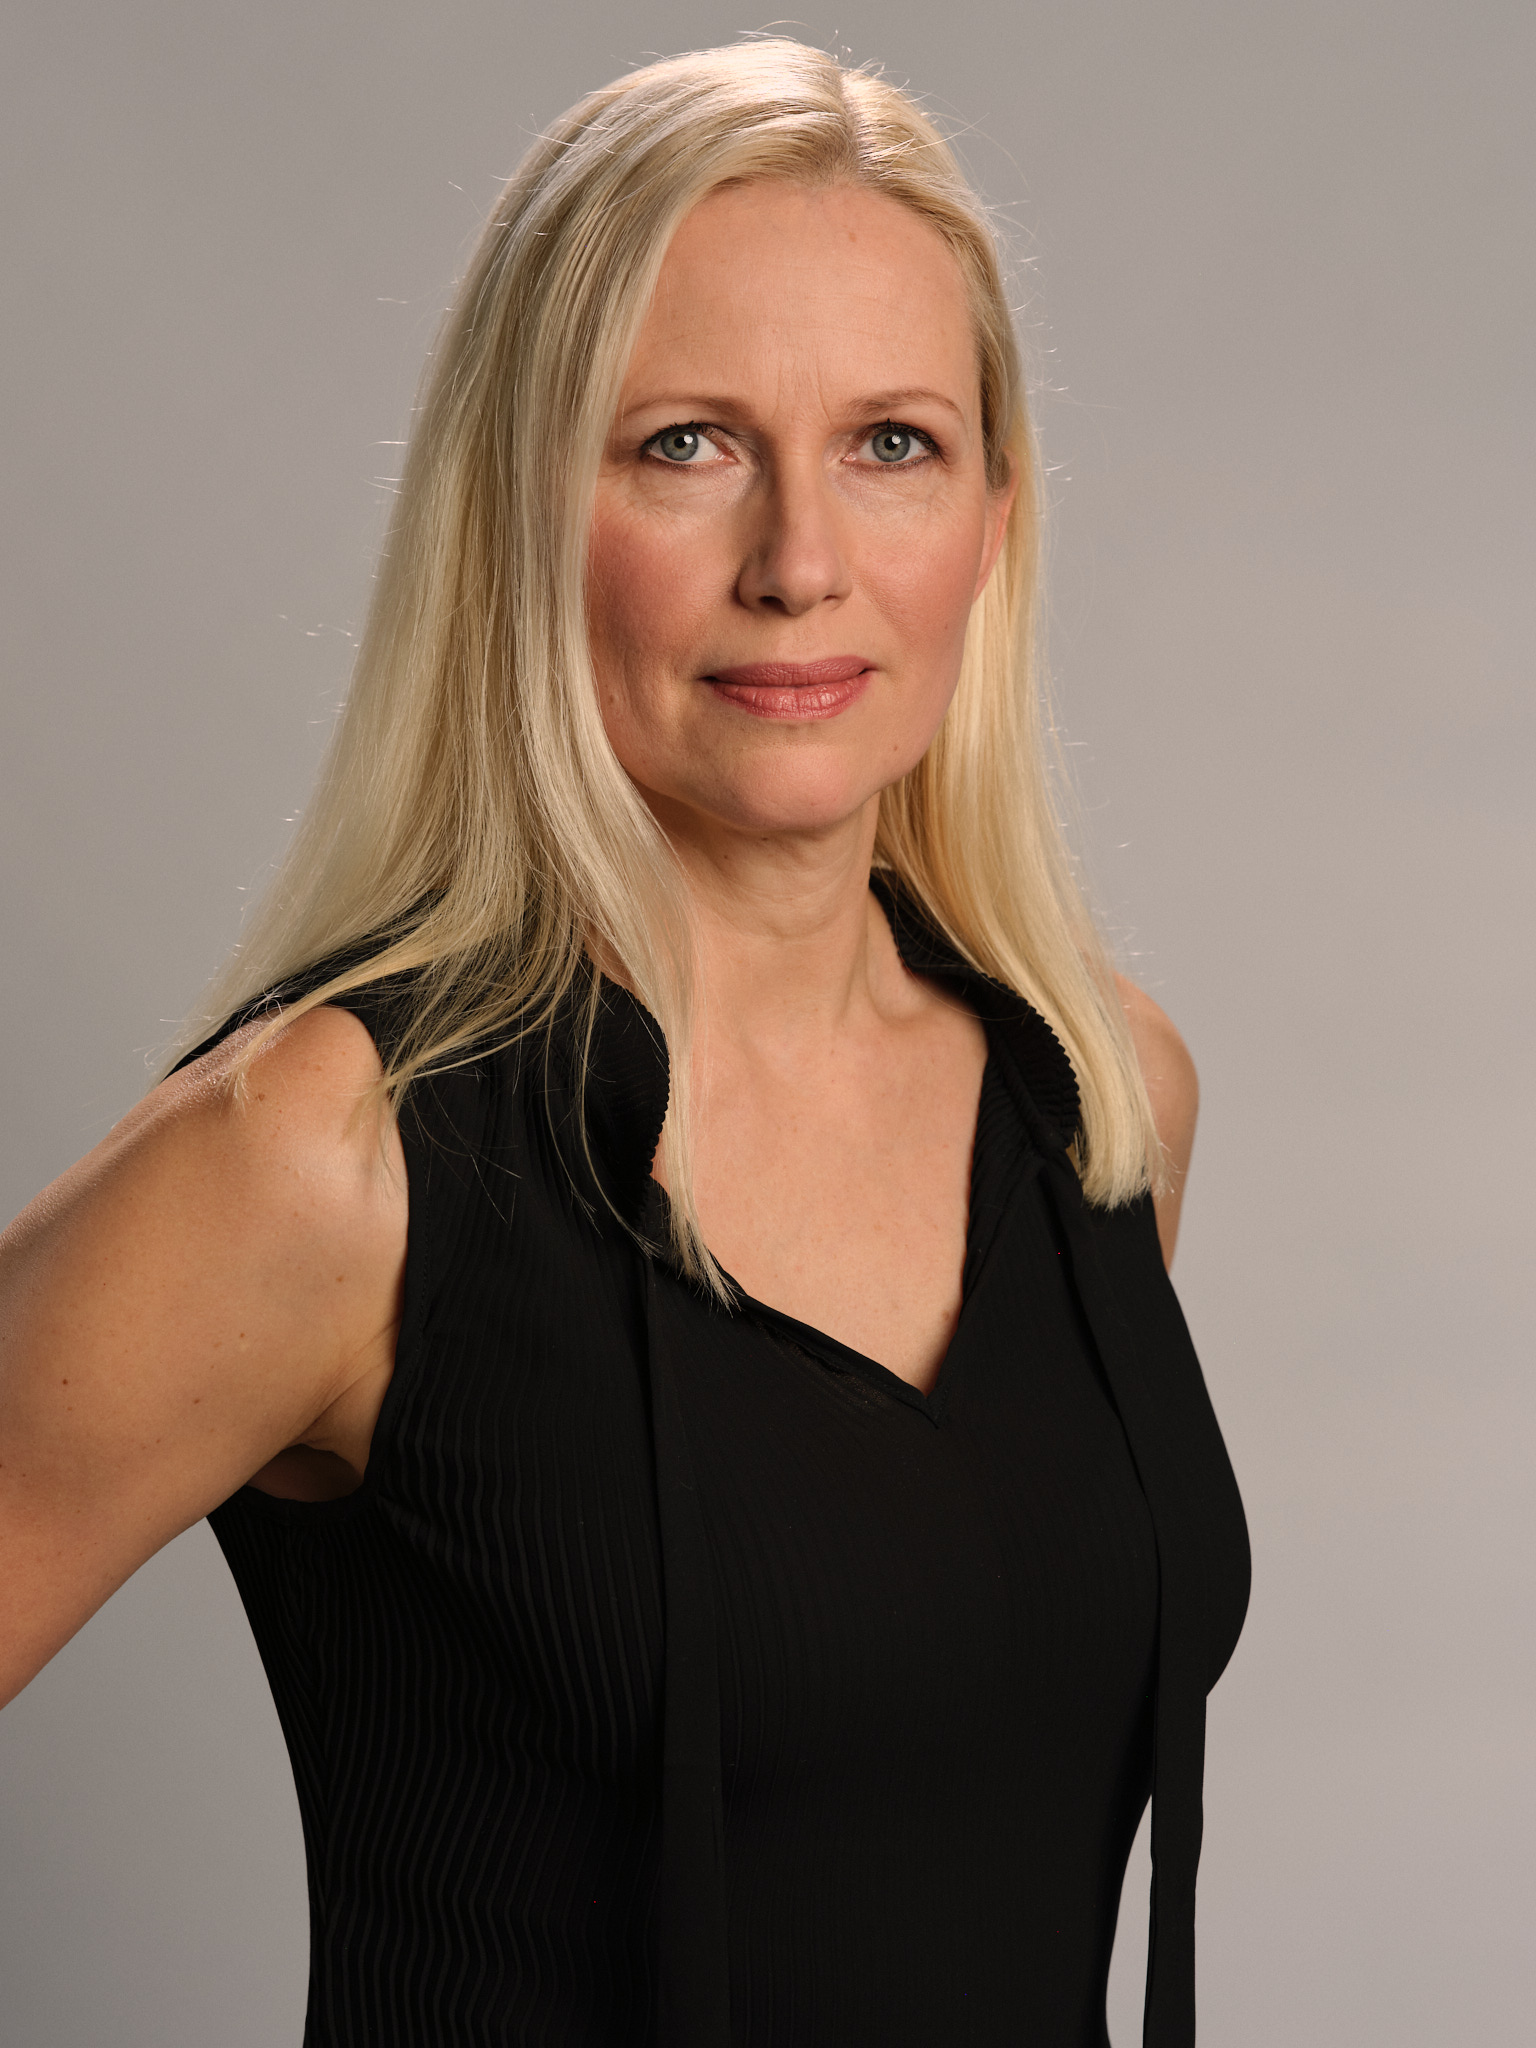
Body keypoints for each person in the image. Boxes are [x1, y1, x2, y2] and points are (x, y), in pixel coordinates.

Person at [0, 39, 1248, 2048]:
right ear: (518, 508)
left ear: (996, 516)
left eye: (894, 443)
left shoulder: (1102, 1101)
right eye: (684, 444)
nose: (800, 562)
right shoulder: (327, 1153)